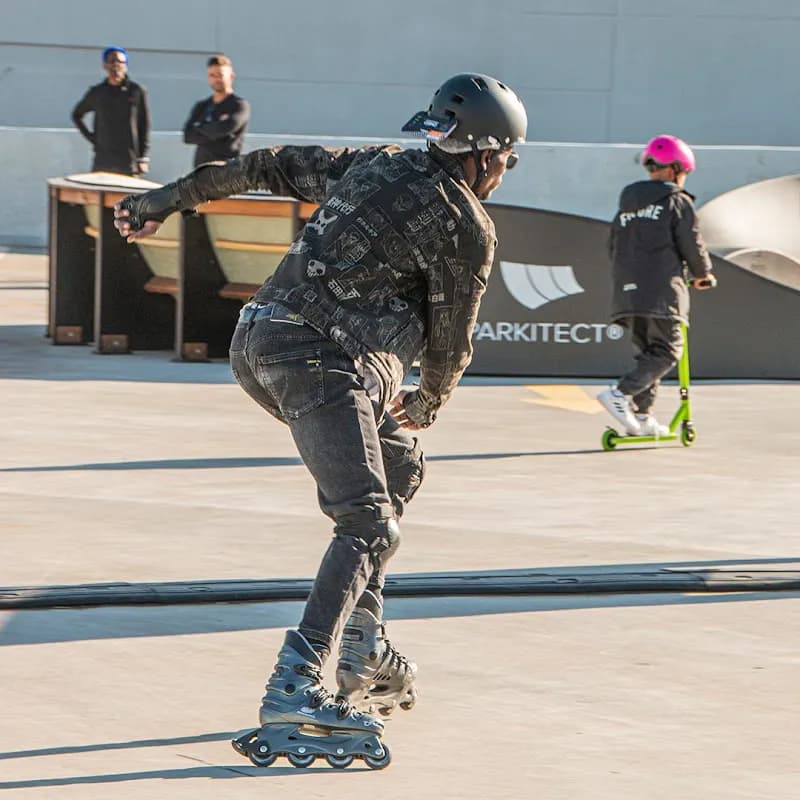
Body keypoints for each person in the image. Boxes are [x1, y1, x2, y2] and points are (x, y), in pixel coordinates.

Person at [112, 72, 527, 769]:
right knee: (367, 520)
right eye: (506, 160)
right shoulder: (467, 226)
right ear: (484, 155)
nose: (503, 174)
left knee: (399, 466)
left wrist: (161, 200)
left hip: (258, 340)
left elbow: (262, 165)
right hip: (322, 359)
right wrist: (429, 400)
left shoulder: (376, 162)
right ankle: (293, 685)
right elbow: (452, 341)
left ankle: (363, 635)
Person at [597, 134, 715, 436]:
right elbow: (692, 243)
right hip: (662, 292)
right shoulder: (677, 201)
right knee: (667, 351)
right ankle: (620, 394)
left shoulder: (627, 204)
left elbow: (612, 245)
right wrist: (703, 274)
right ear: (676, 169)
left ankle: (643, 415)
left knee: (648, 352)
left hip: (627, 294)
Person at [71, 46, 150, 176]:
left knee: (128, 196)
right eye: (111, 62)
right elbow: (76, 115)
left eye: (120, 62)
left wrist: (143, 158)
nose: (115, 66)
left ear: (126, 66)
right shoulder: (97, 92)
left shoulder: (136, 91)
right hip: (103, 159)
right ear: (105, 66)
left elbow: (144, 125)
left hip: (128, 160)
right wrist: (93, 138)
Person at [182, 54, 250, 167]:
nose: (216, 79)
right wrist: (216, 130)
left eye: (220, 75)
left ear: (231, 76)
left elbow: (226, 127)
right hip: (200, 171)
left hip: (227, 171)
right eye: (212, 75)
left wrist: (200, 128)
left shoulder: (239, 105)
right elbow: (187, 136)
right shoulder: (202, 106)